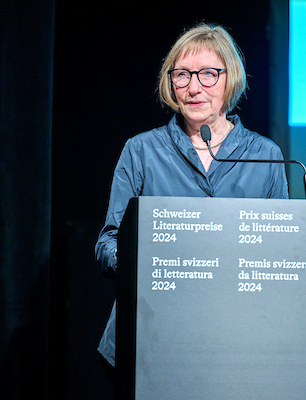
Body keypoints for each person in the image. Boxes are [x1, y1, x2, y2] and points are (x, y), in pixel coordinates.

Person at [95, 23, 289, 368]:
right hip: (150, 337)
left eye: (208, 74)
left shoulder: (266, 155)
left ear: (230, 79)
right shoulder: (142, 151)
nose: (194, 88)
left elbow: (279, 252)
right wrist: (143, 260)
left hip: (237, 338)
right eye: (182, 75)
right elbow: (108, 243)